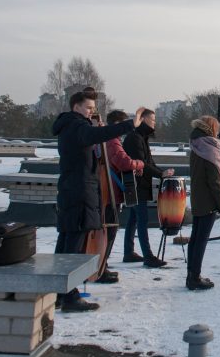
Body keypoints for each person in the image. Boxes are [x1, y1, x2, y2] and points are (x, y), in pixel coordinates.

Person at [53, 90, 146, 311]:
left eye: (93, 109)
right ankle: (69, 295)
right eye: (88, 108)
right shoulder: (76, 127)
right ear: (76, 107)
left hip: (72, 190)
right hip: (79, 192)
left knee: (66, 241)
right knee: (74, 243)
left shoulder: (69, 126)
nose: (91, 112)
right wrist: (129, 124)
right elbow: (96, 136)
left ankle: (59, 290)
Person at [96, 109, 147, 283]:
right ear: (118, 125)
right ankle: (101, 268)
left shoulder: (108, 139)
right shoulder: (112, 140)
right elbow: (124, 162)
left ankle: (102, 266)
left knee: (108, 229)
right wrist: (140, 163)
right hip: (110, 193)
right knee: (109, 230)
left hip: (108, 192)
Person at [121, 109, 173, 267]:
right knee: (142, 220)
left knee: (134, 219)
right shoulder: (135, 138)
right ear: (142, 120)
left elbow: (149, 162)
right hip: (135, 185)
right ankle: (148, 256)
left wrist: (161, 172)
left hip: (138, 185)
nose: (154, 123)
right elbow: (141, 162)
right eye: (152, 120)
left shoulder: (141, 138)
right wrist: (161, 174)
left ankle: (128, 252)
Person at [186, 116, 220, 291]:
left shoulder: (196, 145)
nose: (218, 132)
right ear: (211, 128)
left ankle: (191, 275)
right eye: (217, 128)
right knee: (201, 240)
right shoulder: (208, 149)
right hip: (208, 200)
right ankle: (194, 278)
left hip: (198, 197)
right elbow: (214, 181)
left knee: (195, 239)